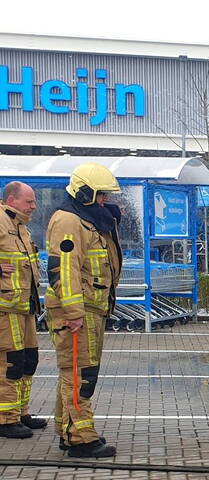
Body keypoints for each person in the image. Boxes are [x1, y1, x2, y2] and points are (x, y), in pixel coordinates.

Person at [45, 163, 123, 458]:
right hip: (79, 311)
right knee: (79, 373)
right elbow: (64, 270)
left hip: (90, 308)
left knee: (75, 371)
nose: (105, 200)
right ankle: (80, 439)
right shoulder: (69, 221)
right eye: (101, 195)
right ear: (85, 192)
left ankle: (70, 431)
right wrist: (74, 311)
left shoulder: (86, 220)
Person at [0, 182, 45, 438]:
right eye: (28, 201)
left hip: (24, 307)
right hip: (5, 309)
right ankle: (5, 419)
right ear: (11, 199)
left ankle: (20, 413)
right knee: (10, 363)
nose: (33, 206)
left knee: (29, 360)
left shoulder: (20, 227)